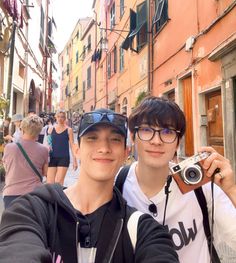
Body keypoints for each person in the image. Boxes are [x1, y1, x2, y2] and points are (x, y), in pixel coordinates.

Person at [0, 108, 179, 263]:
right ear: (77, 150)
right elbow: (17, 249)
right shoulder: (32, 210)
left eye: (115, 139)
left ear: (126, 153)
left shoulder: (143, 230)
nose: (104, 148)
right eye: (92, 138)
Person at [116, 96, 236, 263]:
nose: (156, 141)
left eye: (167, 132)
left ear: (178, 141)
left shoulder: (201, 188)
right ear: (133, 136)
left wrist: (231, 190)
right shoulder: (116, 185)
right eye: (146, 130)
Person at [2, 115, 48, 208]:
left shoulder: (9, 148)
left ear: (22, 129)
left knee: (12, 222)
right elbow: (45, 172)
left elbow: (6, 167)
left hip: (11, 194)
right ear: (38, 132)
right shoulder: (44, 149)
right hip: (35, 194)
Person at [47, 110, 77, 185]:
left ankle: (58, 196)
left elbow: (72, 145)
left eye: (62, 117)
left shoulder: (69, 130)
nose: (60, 119)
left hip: (63, 158)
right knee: (49, 183)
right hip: (52, 158)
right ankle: (51, 197)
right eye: (58, 117)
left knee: (58, 183)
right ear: (56, 117)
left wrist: (75, 160)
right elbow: (47, 144)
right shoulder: (51, 129)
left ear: (65, 118)